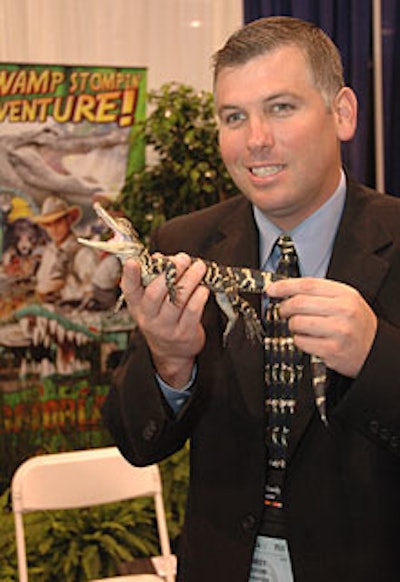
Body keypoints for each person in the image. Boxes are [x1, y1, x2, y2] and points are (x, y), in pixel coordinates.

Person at [102, 16, 400, 582]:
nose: (254, 139)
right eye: (233, 117)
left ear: (342, 113)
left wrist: (374, 356)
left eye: (281, 107)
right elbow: (134, 441)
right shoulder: (182, 245)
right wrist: (168, 364)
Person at [33, 195, 99, 304]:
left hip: (74, 313)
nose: (54, 229)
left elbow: (94, 291)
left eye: (58, 222)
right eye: (49, 224)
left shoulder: (83, 253)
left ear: (68, 220)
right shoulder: (48, 252)